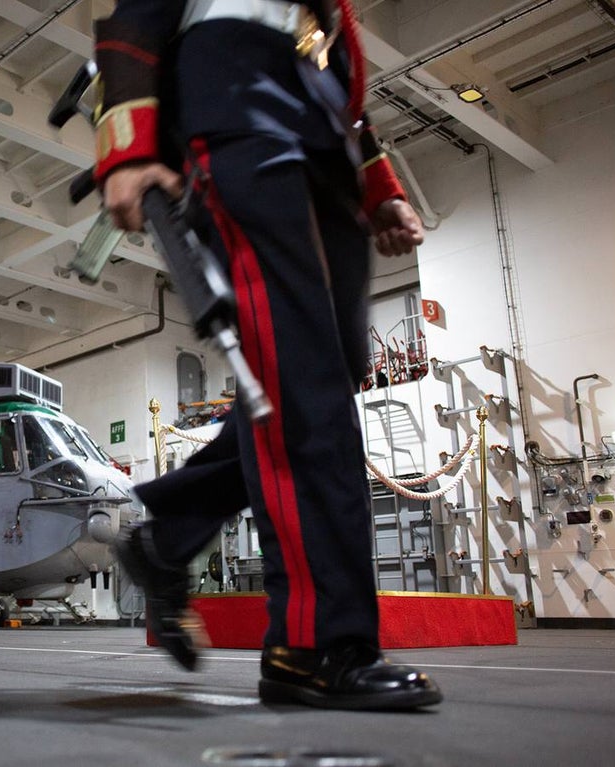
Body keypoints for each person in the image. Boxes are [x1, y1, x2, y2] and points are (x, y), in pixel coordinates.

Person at [95, 1, 441, 710]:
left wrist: (378, 187)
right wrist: (127, 145)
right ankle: (316, 644)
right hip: (234, 95)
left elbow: (338, 75)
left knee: (327, 368)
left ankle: (166, 531)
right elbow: (137, 9)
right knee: (302, 379)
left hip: (318, 127)